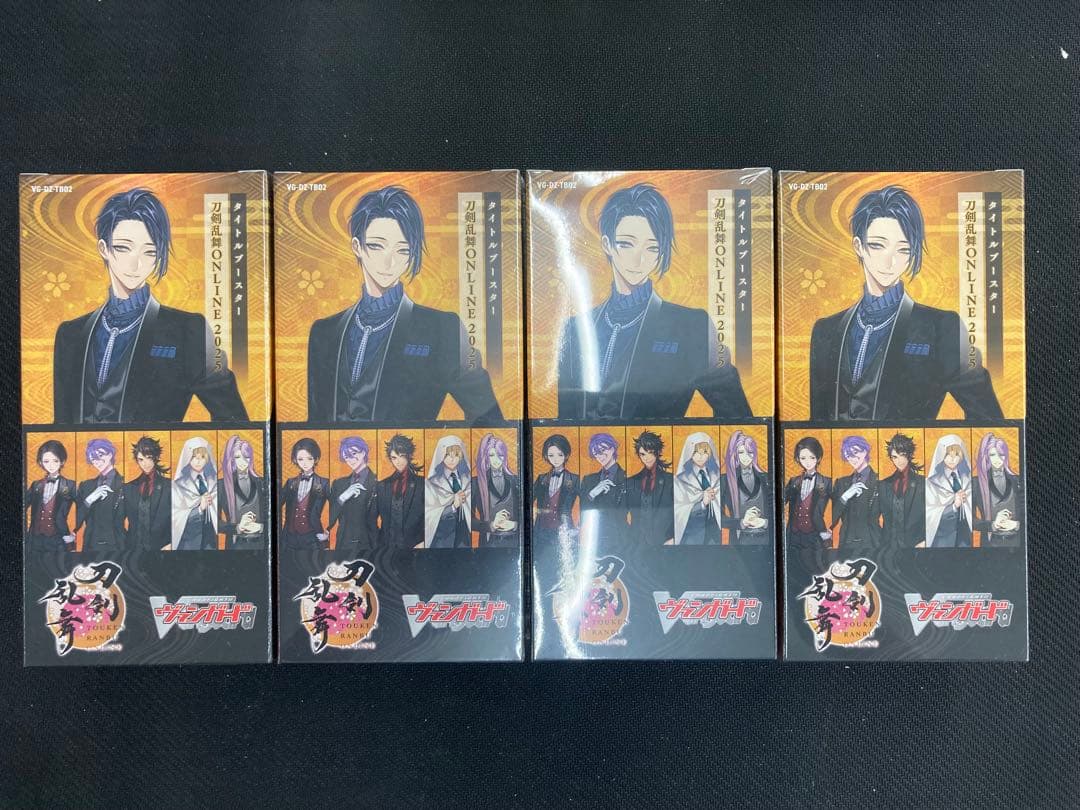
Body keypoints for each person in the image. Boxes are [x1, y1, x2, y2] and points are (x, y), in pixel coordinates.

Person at [307, 186, 502, 423]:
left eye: (402, 250)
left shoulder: (442, 329)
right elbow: (312, 426)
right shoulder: (324, 332)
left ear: (411, 255)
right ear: (357, 247)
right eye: (377, 246)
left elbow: (489, 418)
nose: (389, 262)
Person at [52, 188, 247, 424]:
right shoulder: (70, 334)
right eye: (123, 248)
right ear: (104, 248)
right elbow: (59, 427)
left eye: (150, 252)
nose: (136, 264)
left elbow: (235, 420)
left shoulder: (187, 330)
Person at [556, 183, 750, 419]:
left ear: (660, 253)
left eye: (652, 248)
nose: (638, 260)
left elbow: (739, 418)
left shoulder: (691, 327)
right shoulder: (574, 330)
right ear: (607, 244)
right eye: (626, 244)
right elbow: (563, 423)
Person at [808, 186, 1002, 421]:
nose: (889, 261)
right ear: (858, 246)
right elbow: (814, 424)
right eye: (878, 245)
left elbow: (989, 417)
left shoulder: (941, 327)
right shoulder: (825, 330)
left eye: (903, 249)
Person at [328, 436, 379, 552]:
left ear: (364, 452)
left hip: (369, 545)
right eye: (347, 457)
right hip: (343, 545)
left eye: (354, 454)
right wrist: (342, 497)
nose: (350, 460)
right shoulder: (338, 484)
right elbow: (330, 518)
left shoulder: (379, 483)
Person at [830, 435, 882, 547]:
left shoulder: (881, 483)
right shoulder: (841, 483)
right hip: (846, 543)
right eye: (848, 456)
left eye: (855, 453)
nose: (852, 459)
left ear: (865, 451)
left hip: (873, 543)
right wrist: (844, 497)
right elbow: (832, 519)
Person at [75, 438, 126, 553]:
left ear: (110, 454)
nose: (97, 461)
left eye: (100, 455)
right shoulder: (85, 486)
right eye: (93, 459)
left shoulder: (126, 485)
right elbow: (76, 521)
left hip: (118, 546)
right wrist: (89, 500)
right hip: (90, 546)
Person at [720, 430, 770, 545]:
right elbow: (719, 517)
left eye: (750, 452)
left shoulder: (766, 478)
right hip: (739, 542)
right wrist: (742, 522)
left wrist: (765, 522)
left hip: (766, 540)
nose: (746, 457)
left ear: (755, 453)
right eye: (741, 452)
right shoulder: (725, 480)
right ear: (735, 454)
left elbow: (777, 511)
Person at [973, 432, 1023, 548]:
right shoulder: (976, 483)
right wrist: (993, 525)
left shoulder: (1018, 480)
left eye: (1001, 454)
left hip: (1017, 543)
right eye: (992, 455)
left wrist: (1017, 525)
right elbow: (970, 520)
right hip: (990, 544)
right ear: (986, 456)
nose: (997, 459)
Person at [25, 439, 76, 552]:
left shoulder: (70, 485)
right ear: (41, 462)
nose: (51, 465)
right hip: (35, 539)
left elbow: (83, 508)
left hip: (59, 539)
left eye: (55, 461)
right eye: (46, 461)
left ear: (62, 461)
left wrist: (74, 532)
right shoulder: (36, 485)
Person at [472, 433, 521, 548]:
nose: (496, 460)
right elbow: (469, 520)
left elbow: (527, 514)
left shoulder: (515, 480)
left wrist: (515, 525)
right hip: (489, 543)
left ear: (505, 456)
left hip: (515, 542)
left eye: (500, 455)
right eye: (492, 455)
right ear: (486, 456)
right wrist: (491, 525)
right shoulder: (476, 482)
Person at [375, 434, 424, 548]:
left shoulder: (422, 484)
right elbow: (371, 519)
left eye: (402, 456)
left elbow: (432, 517)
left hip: (415, 547)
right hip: (386, 549)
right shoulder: (382, 486)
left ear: (409, 455)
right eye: (394, 458)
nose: (398, 462)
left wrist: (424, 542)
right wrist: (377, 543)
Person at [673, 432, 723, 545]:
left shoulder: (717, 476)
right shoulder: (681, 480)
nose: (700, 456)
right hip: (692, 537)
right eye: (696, 452)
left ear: (710, 453)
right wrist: (702, 504)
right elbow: (678, 511)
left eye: (704, 452)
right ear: (689, 453)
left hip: (715, 536)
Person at [217, 435, 266, 550]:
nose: (243, 462)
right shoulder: (221, 485)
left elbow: (274, 516)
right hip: (235, 546)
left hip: (261, 545)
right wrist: (237, 527)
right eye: (238, 457)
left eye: (246, 457)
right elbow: (215, 522)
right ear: (231, 459)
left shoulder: (262, 483)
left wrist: (261, 527)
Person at [122, 436, 171, 550]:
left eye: (149, 458)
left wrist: (172, 543)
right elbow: (117, 521)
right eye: (141, 459)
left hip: (162, 549)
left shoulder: (169, 486)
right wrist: (126, 543)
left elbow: (180, 519)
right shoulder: (128, 488)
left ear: (156, 457)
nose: (145, 463)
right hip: (134, 551)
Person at [281, 438, 330, 551]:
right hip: (290, 537)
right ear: (295, 460)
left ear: (316, 459)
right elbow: (275, 505)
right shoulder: (290, 483)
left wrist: (328, 531)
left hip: (312, 537)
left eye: (309, 458)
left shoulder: (324, 483)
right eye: (300, 459)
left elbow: (337, 507)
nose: (305, 463)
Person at [924, 434, 972, 548]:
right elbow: (929, 514)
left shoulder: (968, 479)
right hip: (942, 541)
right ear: (941, 456)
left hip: (965, 540)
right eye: (948, 455)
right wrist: (954, 506)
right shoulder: (931, 482)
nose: (952, 459)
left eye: (956, 455)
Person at [625, 430, 674, 545]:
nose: (646, 458)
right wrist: (628, 536)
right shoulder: (631, 482)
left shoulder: (670, 480)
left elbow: (681, 513)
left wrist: (674, 538)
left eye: (650, 452)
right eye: (643, 454)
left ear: (657, 452)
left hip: (665, 542)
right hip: (637, 545)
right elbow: (618, 513)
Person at [579, 432, 628, 546]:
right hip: (594, 539)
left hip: (620, 540)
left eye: (602, 450)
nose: (600, 456)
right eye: (596, 454)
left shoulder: (628, 478)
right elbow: (583, 511)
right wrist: (592, 494)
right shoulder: (588, 480)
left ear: (612, 448)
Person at [784, 436, 833, 548]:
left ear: (818, 458)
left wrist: (831, 528)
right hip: (793, 535)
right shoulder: (793, 481)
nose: (808, 462)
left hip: (815, 535)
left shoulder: (826, 482)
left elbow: (839, 505)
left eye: (812, 457)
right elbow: (780, 503)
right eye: (803, 458)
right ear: (798, 459)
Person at [170, 437, 218, 550]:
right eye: (194, 457)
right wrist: (199, 509)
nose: (198, 461)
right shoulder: (178, 485)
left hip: (210, 543)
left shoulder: (214, 482)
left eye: (202, 457)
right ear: (187, 458)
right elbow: (176, 518)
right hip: (188, 543)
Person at [878, 433, 926, 546]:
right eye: (895, 457)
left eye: (902, 455)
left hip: (916, 546)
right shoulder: (883, 485)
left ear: (909, 454)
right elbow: (872, 517)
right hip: (889, 548)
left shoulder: (922, 483)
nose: (899, 461)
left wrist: (925, 540)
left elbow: (932, 516)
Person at [424, 436, 472, 549]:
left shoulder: (468, 480)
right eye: (447, 455)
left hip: (465, 541)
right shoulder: (431, 483)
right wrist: (453, 506)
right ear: (440, 456)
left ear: (461, 456)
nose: (452, 459)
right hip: (442, 541)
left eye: (456, 455)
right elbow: (429, 515)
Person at [531, 434, 579, 544]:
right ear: (546, 456)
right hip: (541, 532)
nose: (556, 459)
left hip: (564, 530)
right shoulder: (541, 479)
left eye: (560, 454)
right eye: (551, 455)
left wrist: (578, 527)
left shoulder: (574, 479)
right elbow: (527, 501)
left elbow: (585, 504)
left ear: (566, 454)